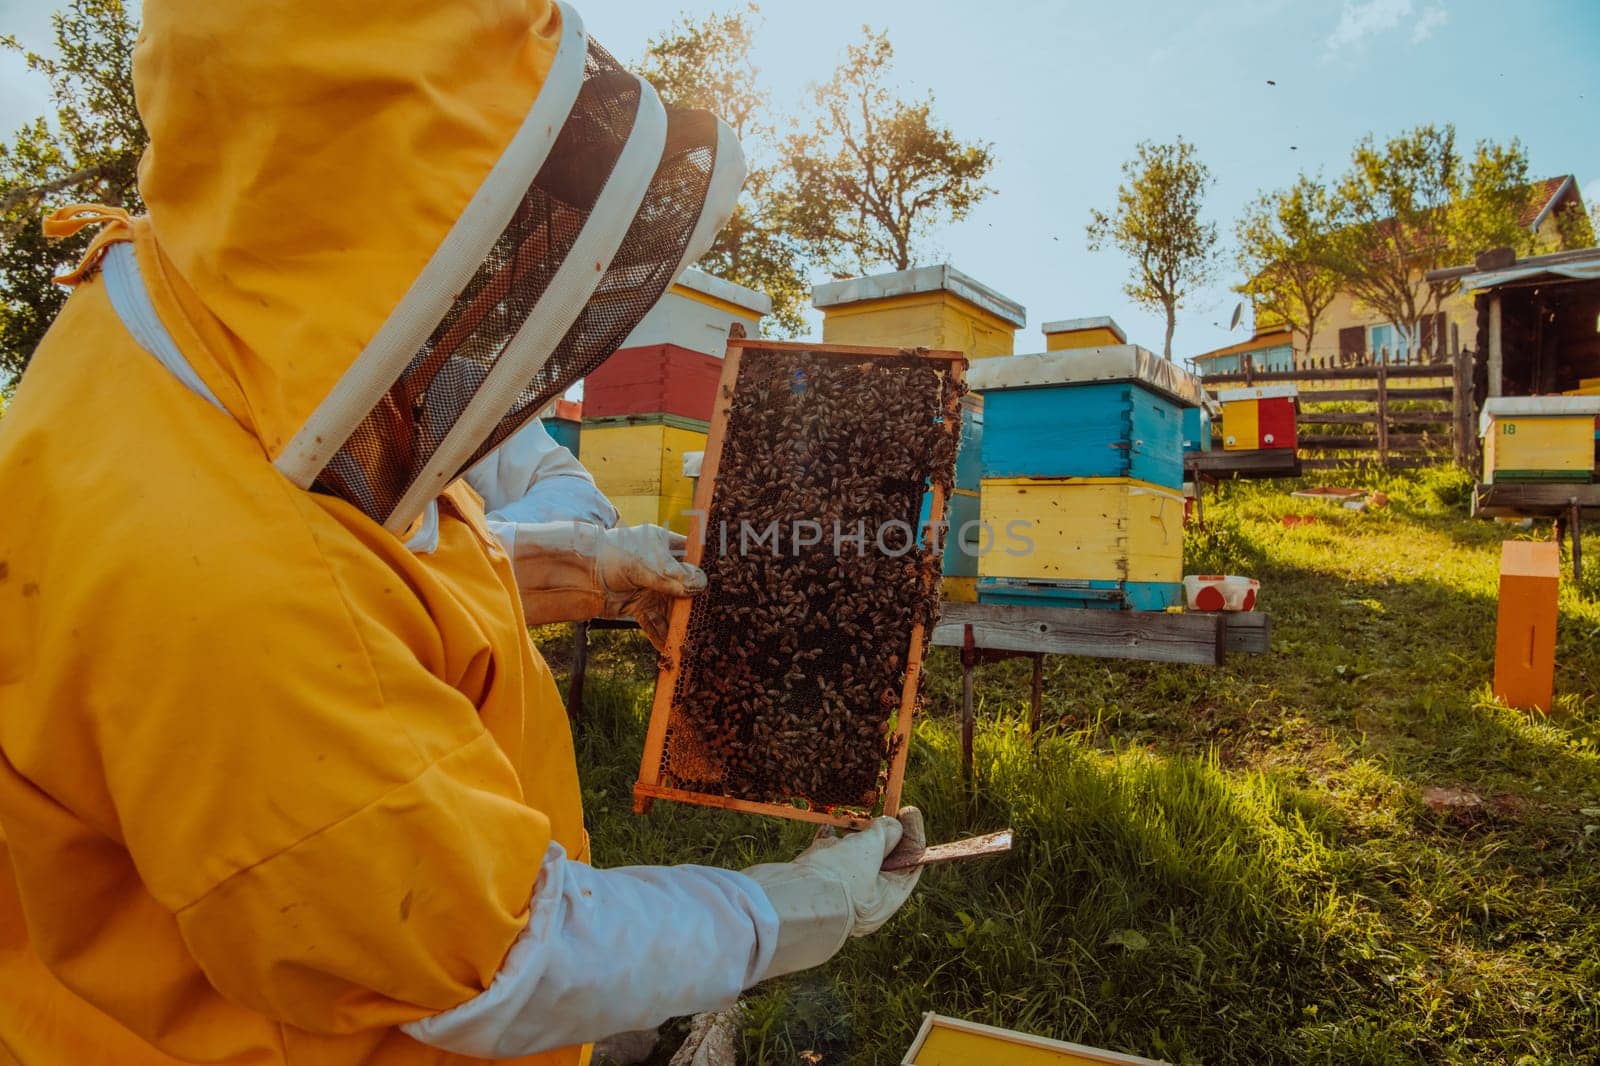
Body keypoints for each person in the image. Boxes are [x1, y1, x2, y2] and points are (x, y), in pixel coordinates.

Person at [0, 2, 923, 1064]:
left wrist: (584, 565)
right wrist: (797, 907)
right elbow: (507, 963)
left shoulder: (167, 315)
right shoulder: (223, 595)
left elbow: (357, 574)